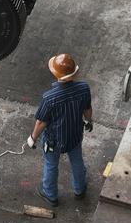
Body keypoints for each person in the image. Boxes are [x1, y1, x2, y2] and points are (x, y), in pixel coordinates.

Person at [27, 53, 93, 206]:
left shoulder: (49, 98)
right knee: (77, 161)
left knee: (51, 165)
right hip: (75, 135)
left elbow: (41, 122)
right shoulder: (84, 88)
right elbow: (88, 109)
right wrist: (89, 121)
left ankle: (50, 195)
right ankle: (80, 190)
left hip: (53, 141)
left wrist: (33, 138)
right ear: (74, 72)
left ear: (55, 73)